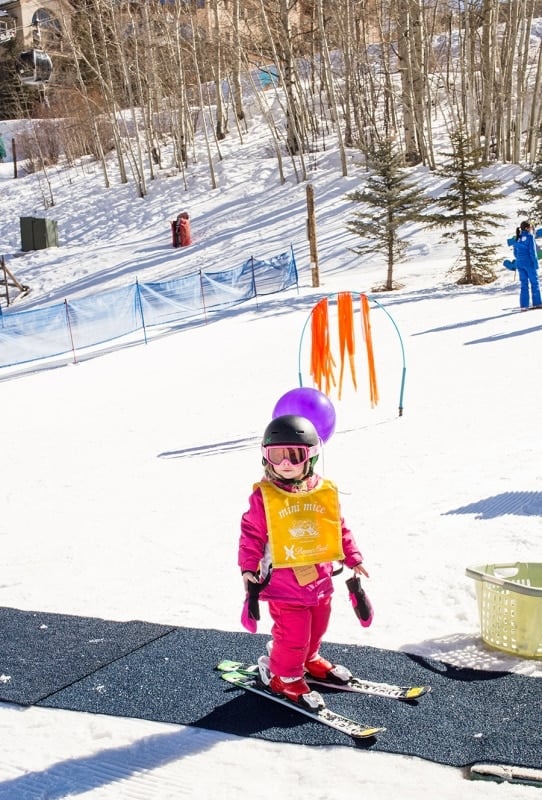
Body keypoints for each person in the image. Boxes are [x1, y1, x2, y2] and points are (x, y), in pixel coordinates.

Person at [238, 414, 369, 709]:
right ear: (265, 457)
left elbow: (337, 526)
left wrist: (353, 556)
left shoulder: (323, 492)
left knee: (317, 626)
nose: (285, 463)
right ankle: (284, 676)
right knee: (293, 634)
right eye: (277, 455)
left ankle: (309, 660)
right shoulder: (265, 498)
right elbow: (251, 534)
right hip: (284, 586)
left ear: (309, 457)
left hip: (319, 580)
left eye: (294, 455)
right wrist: (248, 567)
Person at [513, 220, 541, 310]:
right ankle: (537, 303)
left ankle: (524, 305)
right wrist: (536, 264)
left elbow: (515, 252)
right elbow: (532, 252)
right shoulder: (529, 236)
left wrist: (519, 260)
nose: (531, 229)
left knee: (523, 284)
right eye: (530, 227)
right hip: (529, 263)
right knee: (534, 282)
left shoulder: (518, 237)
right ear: (526, 228)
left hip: (520, 263)